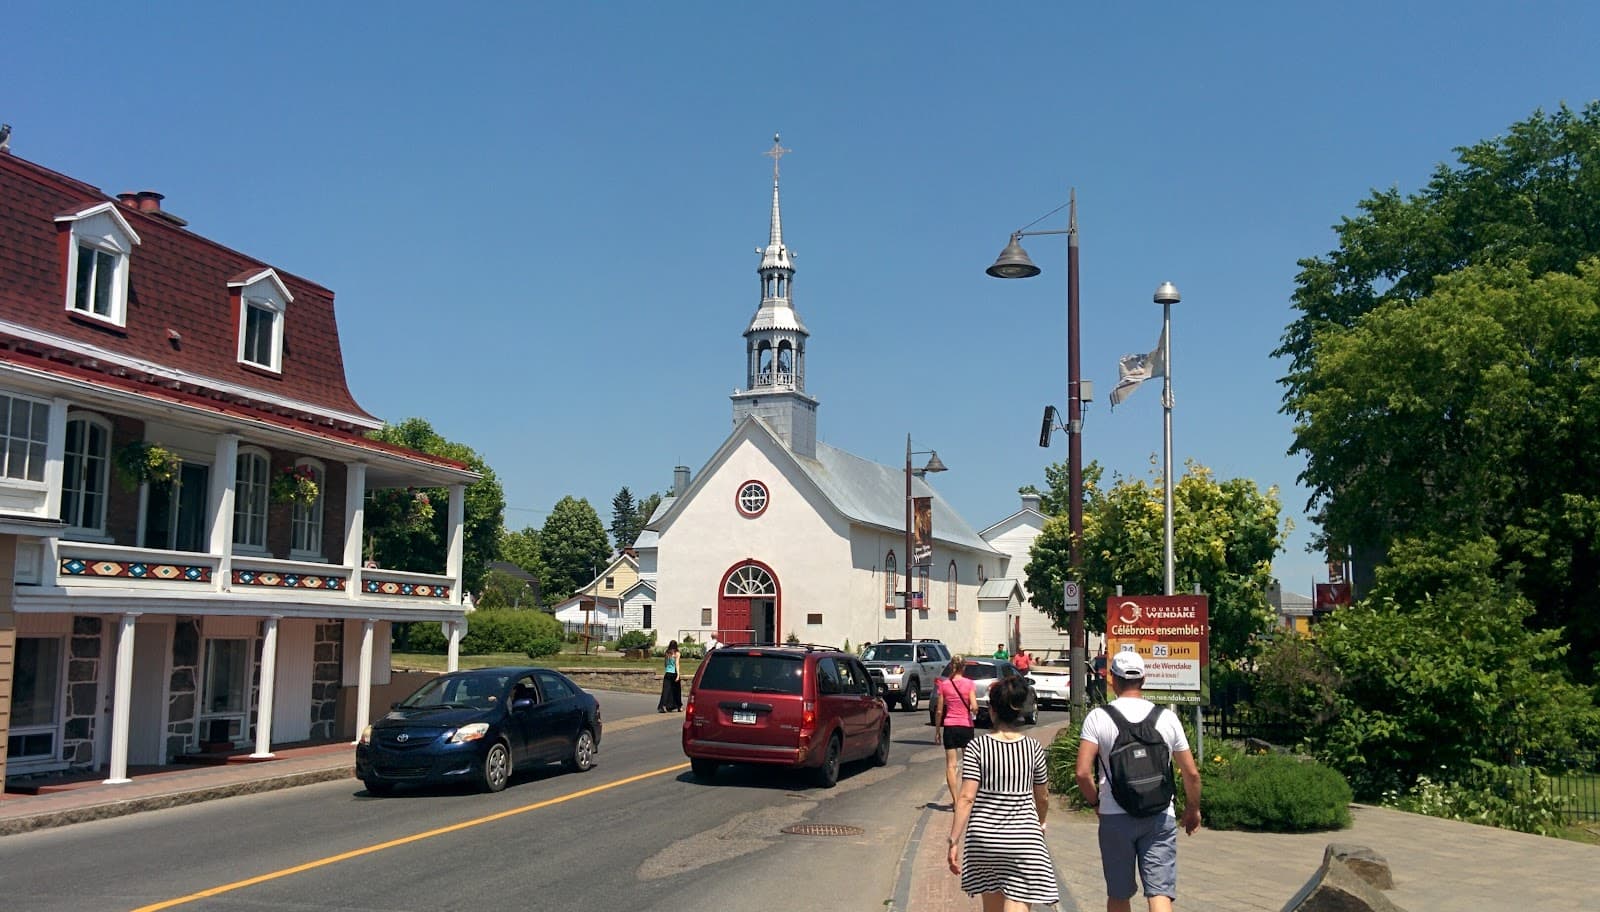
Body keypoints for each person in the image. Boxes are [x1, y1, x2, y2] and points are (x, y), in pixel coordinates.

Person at [1075, 651, 1202, 912]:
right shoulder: (1166, 718)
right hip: (1159, 814)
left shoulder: (1098, 718)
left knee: (1119, 894)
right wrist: (1192, 809)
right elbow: (1191, 773)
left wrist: (1096, 804)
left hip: (1113, 814)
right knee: (1159, 893)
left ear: (1113, 680)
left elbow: (1082, 773)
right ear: (1143, 679)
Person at [947, 674, 1058, 910]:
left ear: (992, 710)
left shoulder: (978, 746)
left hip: (984, 839)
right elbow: (1043, 796)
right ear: (1018, 712)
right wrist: (1041, 822)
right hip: (1022, 838)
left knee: (992, 903)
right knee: (1017, 900)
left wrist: (954, 840)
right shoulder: (1033, 748)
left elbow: (966, 797)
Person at [933, 656, 979, 807]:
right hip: (966, 726)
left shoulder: (944, 685)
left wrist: (938, 730)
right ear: (963, 667)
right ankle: (967, 797)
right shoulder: (969, 684)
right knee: (969, 764)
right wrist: (974, 710)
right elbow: (974, 706)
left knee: (951, 765)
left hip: (950, 726)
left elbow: (939, 711)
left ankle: (955, 799)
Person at [658, 640, 682, 712]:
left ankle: (663, 705)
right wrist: (678, 675)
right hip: (674, 673)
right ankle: (679, 706)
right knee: (677, 690)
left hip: (668, 673)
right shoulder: (677, 653)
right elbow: (677, 664)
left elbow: (665, 663)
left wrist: (667, 668)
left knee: (666, 690)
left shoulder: (667, 653)